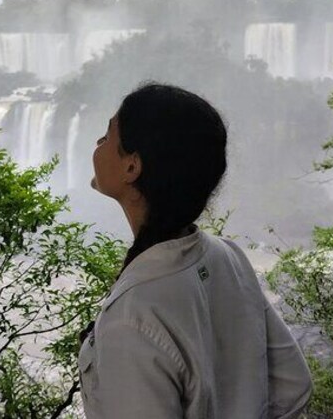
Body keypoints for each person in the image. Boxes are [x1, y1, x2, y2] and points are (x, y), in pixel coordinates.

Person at [77, 82, 313, 419]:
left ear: (132, 167)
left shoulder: (132, 316)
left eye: (107, 135)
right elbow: (293, 386)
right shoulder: (227, 256)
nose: (98, 145)